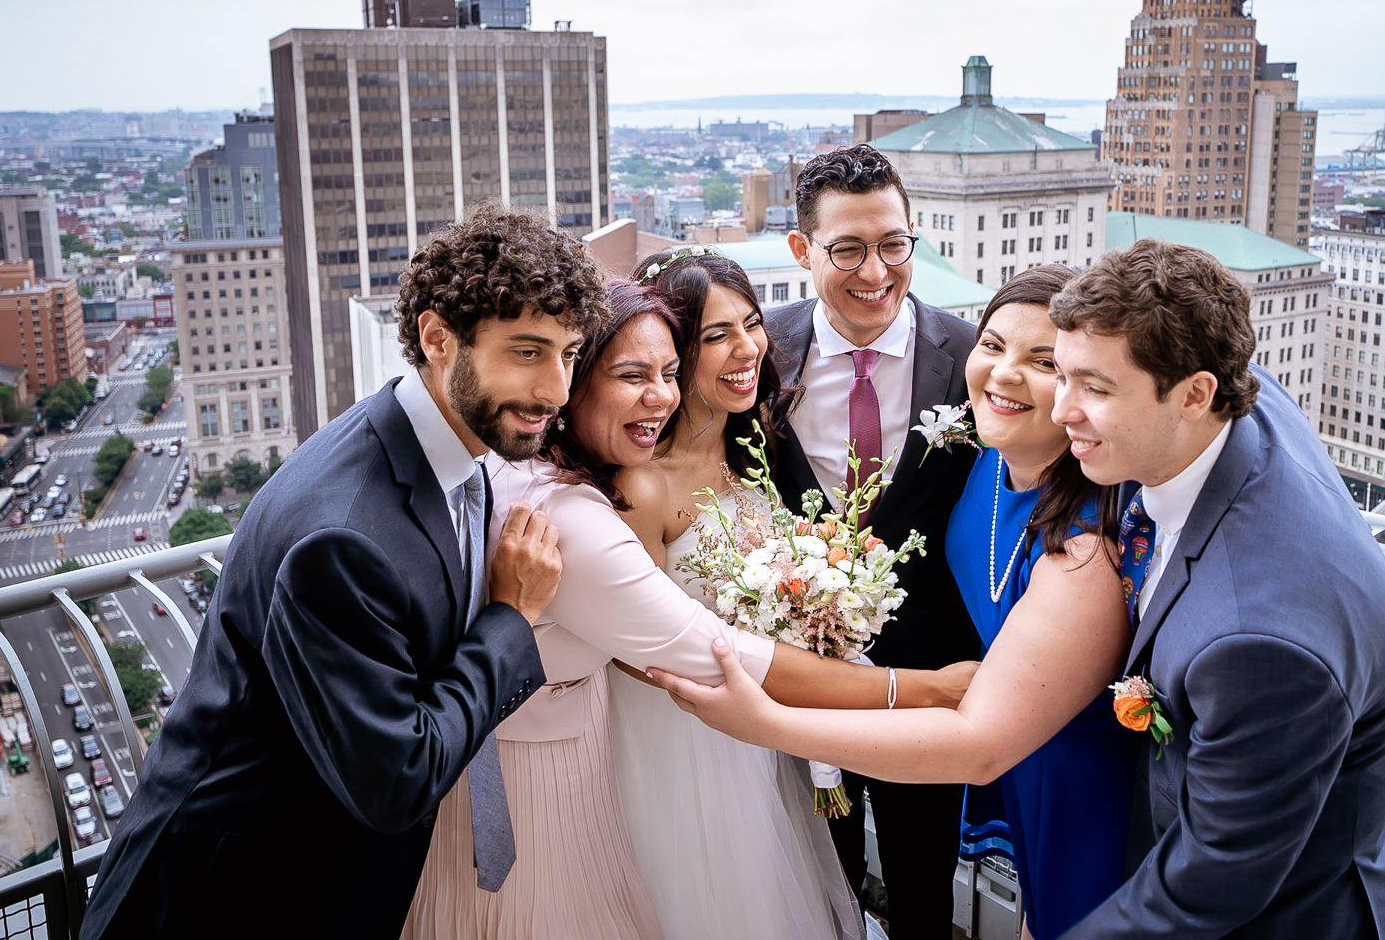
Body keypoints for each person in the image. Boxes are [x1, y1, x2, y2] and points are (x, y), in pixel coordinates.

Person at [651, 239, 1385, 939]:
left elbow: (1200, 888)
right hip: (1047, 767)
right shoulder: (1213, 407)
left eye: (1085, 382)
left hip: (1238, 890)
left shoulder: (1243, 626)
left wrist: (766, 720)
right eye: (1002, 349)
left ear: (1195, 393)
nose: (1063, 403)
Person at [83, 205, 601, 940]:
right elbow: (398, 781)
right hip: (228, 901)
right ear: (436, 338)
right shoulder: (343, 540)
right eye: (527, 352)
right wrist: (509, 620)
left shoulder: (452, 445)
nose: (556, 388)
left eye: (570, 353)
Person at [400, 282, 973, 940]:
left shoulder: (752, 452)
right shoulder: (591, 504)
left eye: (667, 373)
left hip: (743, 723)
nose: (662, 394)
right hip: (649, 733)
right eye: (634, 374)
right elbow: (688, 648)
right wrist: (925, 690)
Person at [611, 247, 861, 940]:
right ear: (673, 352)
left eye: (751, 324)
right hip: (678, 740)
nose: (748, 348)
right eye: (717, 335)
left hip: (758, 731)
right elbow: (640, 650)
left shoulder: (757, 445)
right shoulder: (641, 483)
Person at [766, 144, 983, 939]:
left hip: (930, 676)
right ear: (802, 251)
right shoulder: (760, 353)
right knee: (821, 876)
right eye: (848, 249)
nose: (876, 271)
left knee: (925, 887)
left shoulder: (970, 359)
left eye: (894, 244)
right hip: (804, 677)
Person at [940, 265, 1137, 938]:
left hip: (1086, 776)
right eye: (992, 345)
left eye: (1042, 361)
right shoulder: (992, 454)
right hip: (1022, 744)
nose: (1003, 374)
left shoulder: (1091, 535)